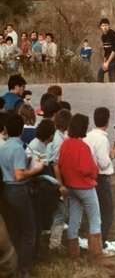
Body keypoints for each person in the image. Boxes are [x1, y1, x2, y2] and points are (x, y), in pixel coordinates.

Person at [58, 113, 114, 267]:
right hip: (85, 186)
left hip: (71, 186)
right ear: (83, 128)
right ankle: (97, 255)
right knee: (95, 218)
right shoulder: (82, 146)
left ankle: (73, 254)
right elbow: (88, 169)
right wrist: (94, 171)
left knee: (74, 218)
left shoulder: (65, 144)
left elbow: (61, 164)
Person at [0, 114, 44, 277]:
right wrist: (37, 169)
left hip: (6, 190)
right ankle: (23, 267)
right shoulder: (18, 148)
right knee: (29, 230)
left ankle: (15, 263)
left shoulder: (3, 146)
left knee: (15, 229)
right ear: (21, 131)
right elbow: (19, 175)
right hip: (18, 189)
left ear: (6, 129)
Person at [84, 107, 115, 256]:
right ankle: (101, 243)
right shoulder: (102, 139)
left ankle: (94, 242)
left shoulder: (88, 136)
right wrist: (113, 154)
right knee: (107, 213)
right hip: (102, 178)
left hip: (90, 178)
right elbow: (104, 163)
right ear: (107, 121)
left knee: (95, 212)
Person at [46, 109, 71, 251]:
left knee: (60, 211)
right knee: (61, 211)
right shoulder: (58, 140)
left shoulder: (61, 136)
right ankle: (54, 244)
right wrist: (60, 185)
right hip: (57, 179)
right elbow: (55, 164)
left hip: (59, 178)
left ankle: (55, 242)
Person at [97, 18, 115, 83]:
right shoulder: (103, 36)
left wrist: (107, 62)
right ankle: (103, 89)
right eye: (103, 25)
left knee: (109, 72)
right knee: (106, 72)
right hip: (108, 57)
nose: (104, 27)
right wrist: (104, 62)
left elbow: (114, 50)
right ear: (100, 27)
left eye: (106, 25)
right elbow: (106, 51)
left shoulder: (113, 34)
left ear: (109, 26)